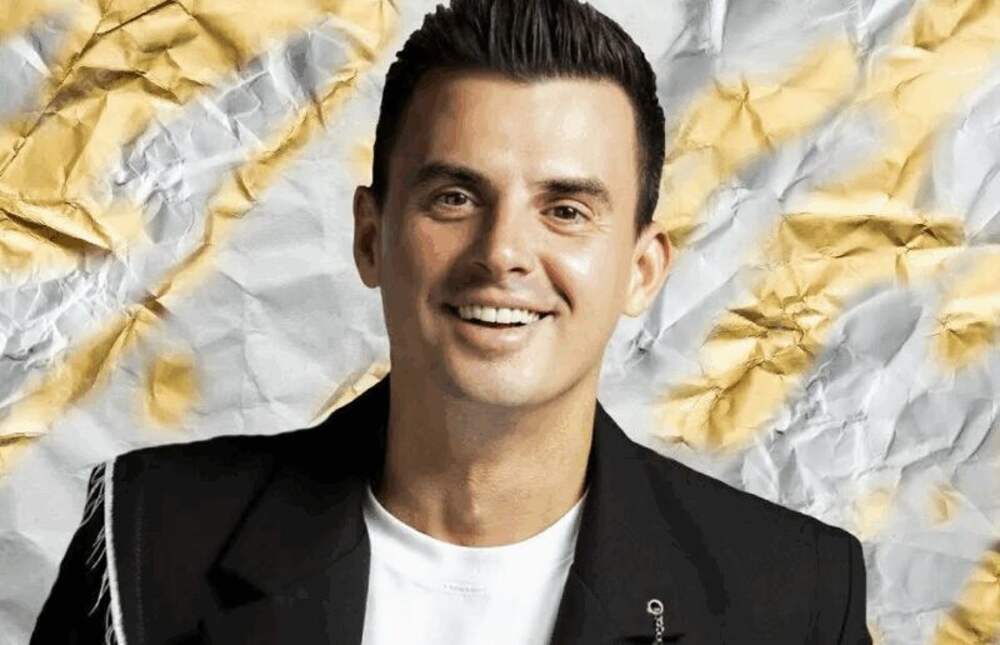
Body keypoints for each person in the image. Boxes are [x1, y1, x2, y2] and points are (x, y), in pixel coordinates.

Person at [32, 0, 871, 643]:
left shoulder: (791, 598)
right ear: (372, 237)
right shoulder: (151, 543)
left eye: (566, 210)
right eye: (455, 197)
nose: (502, 252)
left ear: (642, 269)